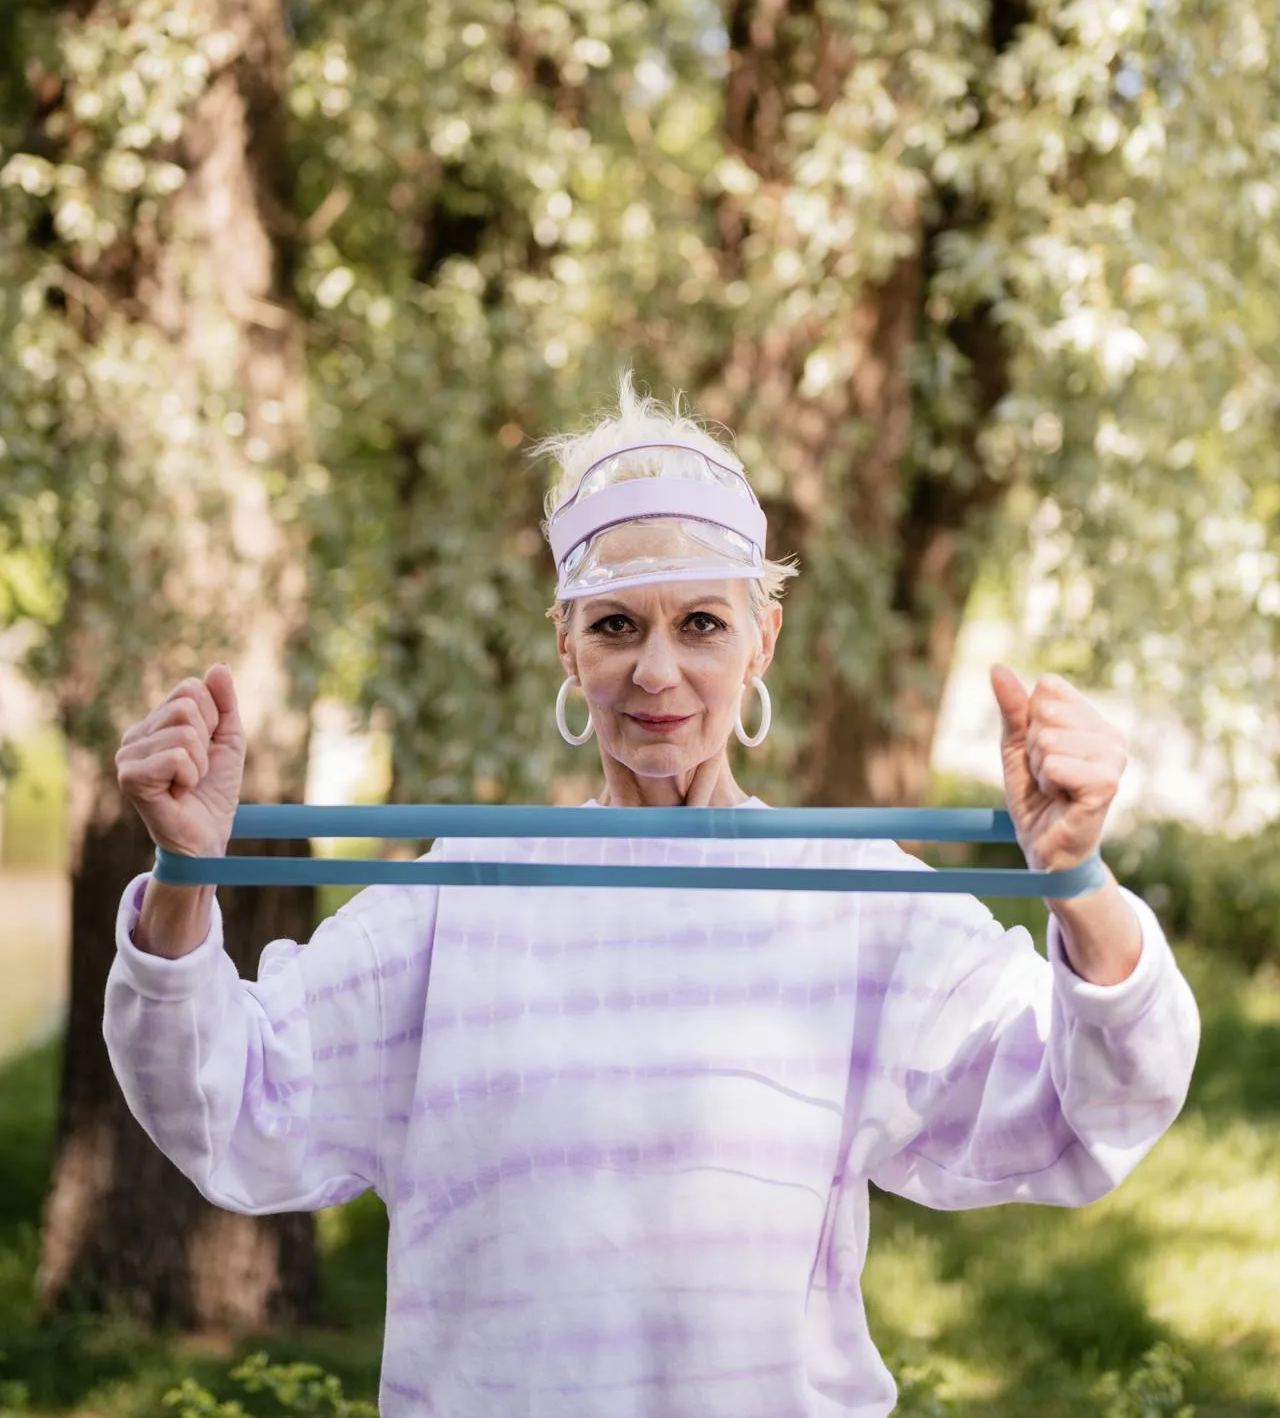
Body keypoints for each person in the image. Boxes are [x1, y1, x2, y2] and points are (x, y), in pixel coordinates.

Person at [104, 372, 1200, 1418]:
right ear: (566, 647)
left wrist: (1072, 882)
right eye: (616, 624)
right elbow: (228, 1106)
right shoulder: (450, 903)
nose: (657, 672)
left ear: (761, 636)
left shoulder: (854, 902)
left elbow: (1088, 1109)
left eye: (702, 624)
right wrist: (185, 878)